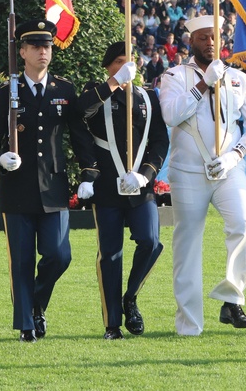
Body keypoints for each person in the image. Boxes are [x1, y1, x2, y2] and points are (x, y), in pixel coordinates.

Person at [0, 19, 97, 342]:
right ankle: (26, 326)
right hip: (17, 190)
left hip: (53, 188)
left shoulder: (64, 89)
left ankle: (36, 305)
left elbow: (79, 136)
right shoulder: (8, 92)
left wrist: (89, 172)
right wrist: (0, 158)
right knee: (21, 261)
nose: (43, 52)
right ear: (22, 51)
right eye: (35, 46)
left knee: (59, 256)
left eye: (47, 46)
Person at [158, 15, 246, 336]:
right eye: (203, 38)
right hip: (187, 172)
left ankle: (231, 296)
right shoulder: (175, 75)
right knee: (187, 243)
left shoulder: (240, 79)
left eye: (214, 38)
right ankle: (188, 324)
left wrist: (236, 155)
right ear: (191, 41)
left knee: (244, 225)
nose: (210, 44)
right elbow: (171, 115)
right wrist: (204, 82)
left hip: (229, 170)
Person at [75, 42, 169, 340]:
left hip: (140, 188)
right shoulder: (97, 92)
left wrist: (146, 176)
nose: (124, 66)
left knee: (151, 241)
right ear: (108, 66)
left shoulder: (148, 97)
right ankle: (112, 323)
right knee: (111, 255)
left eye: (129, 61)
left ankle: (131, 297)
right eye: (117, 61)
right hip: (106, 187)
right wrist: (114, 83)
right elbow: (79, 112)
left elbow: (160, 142)